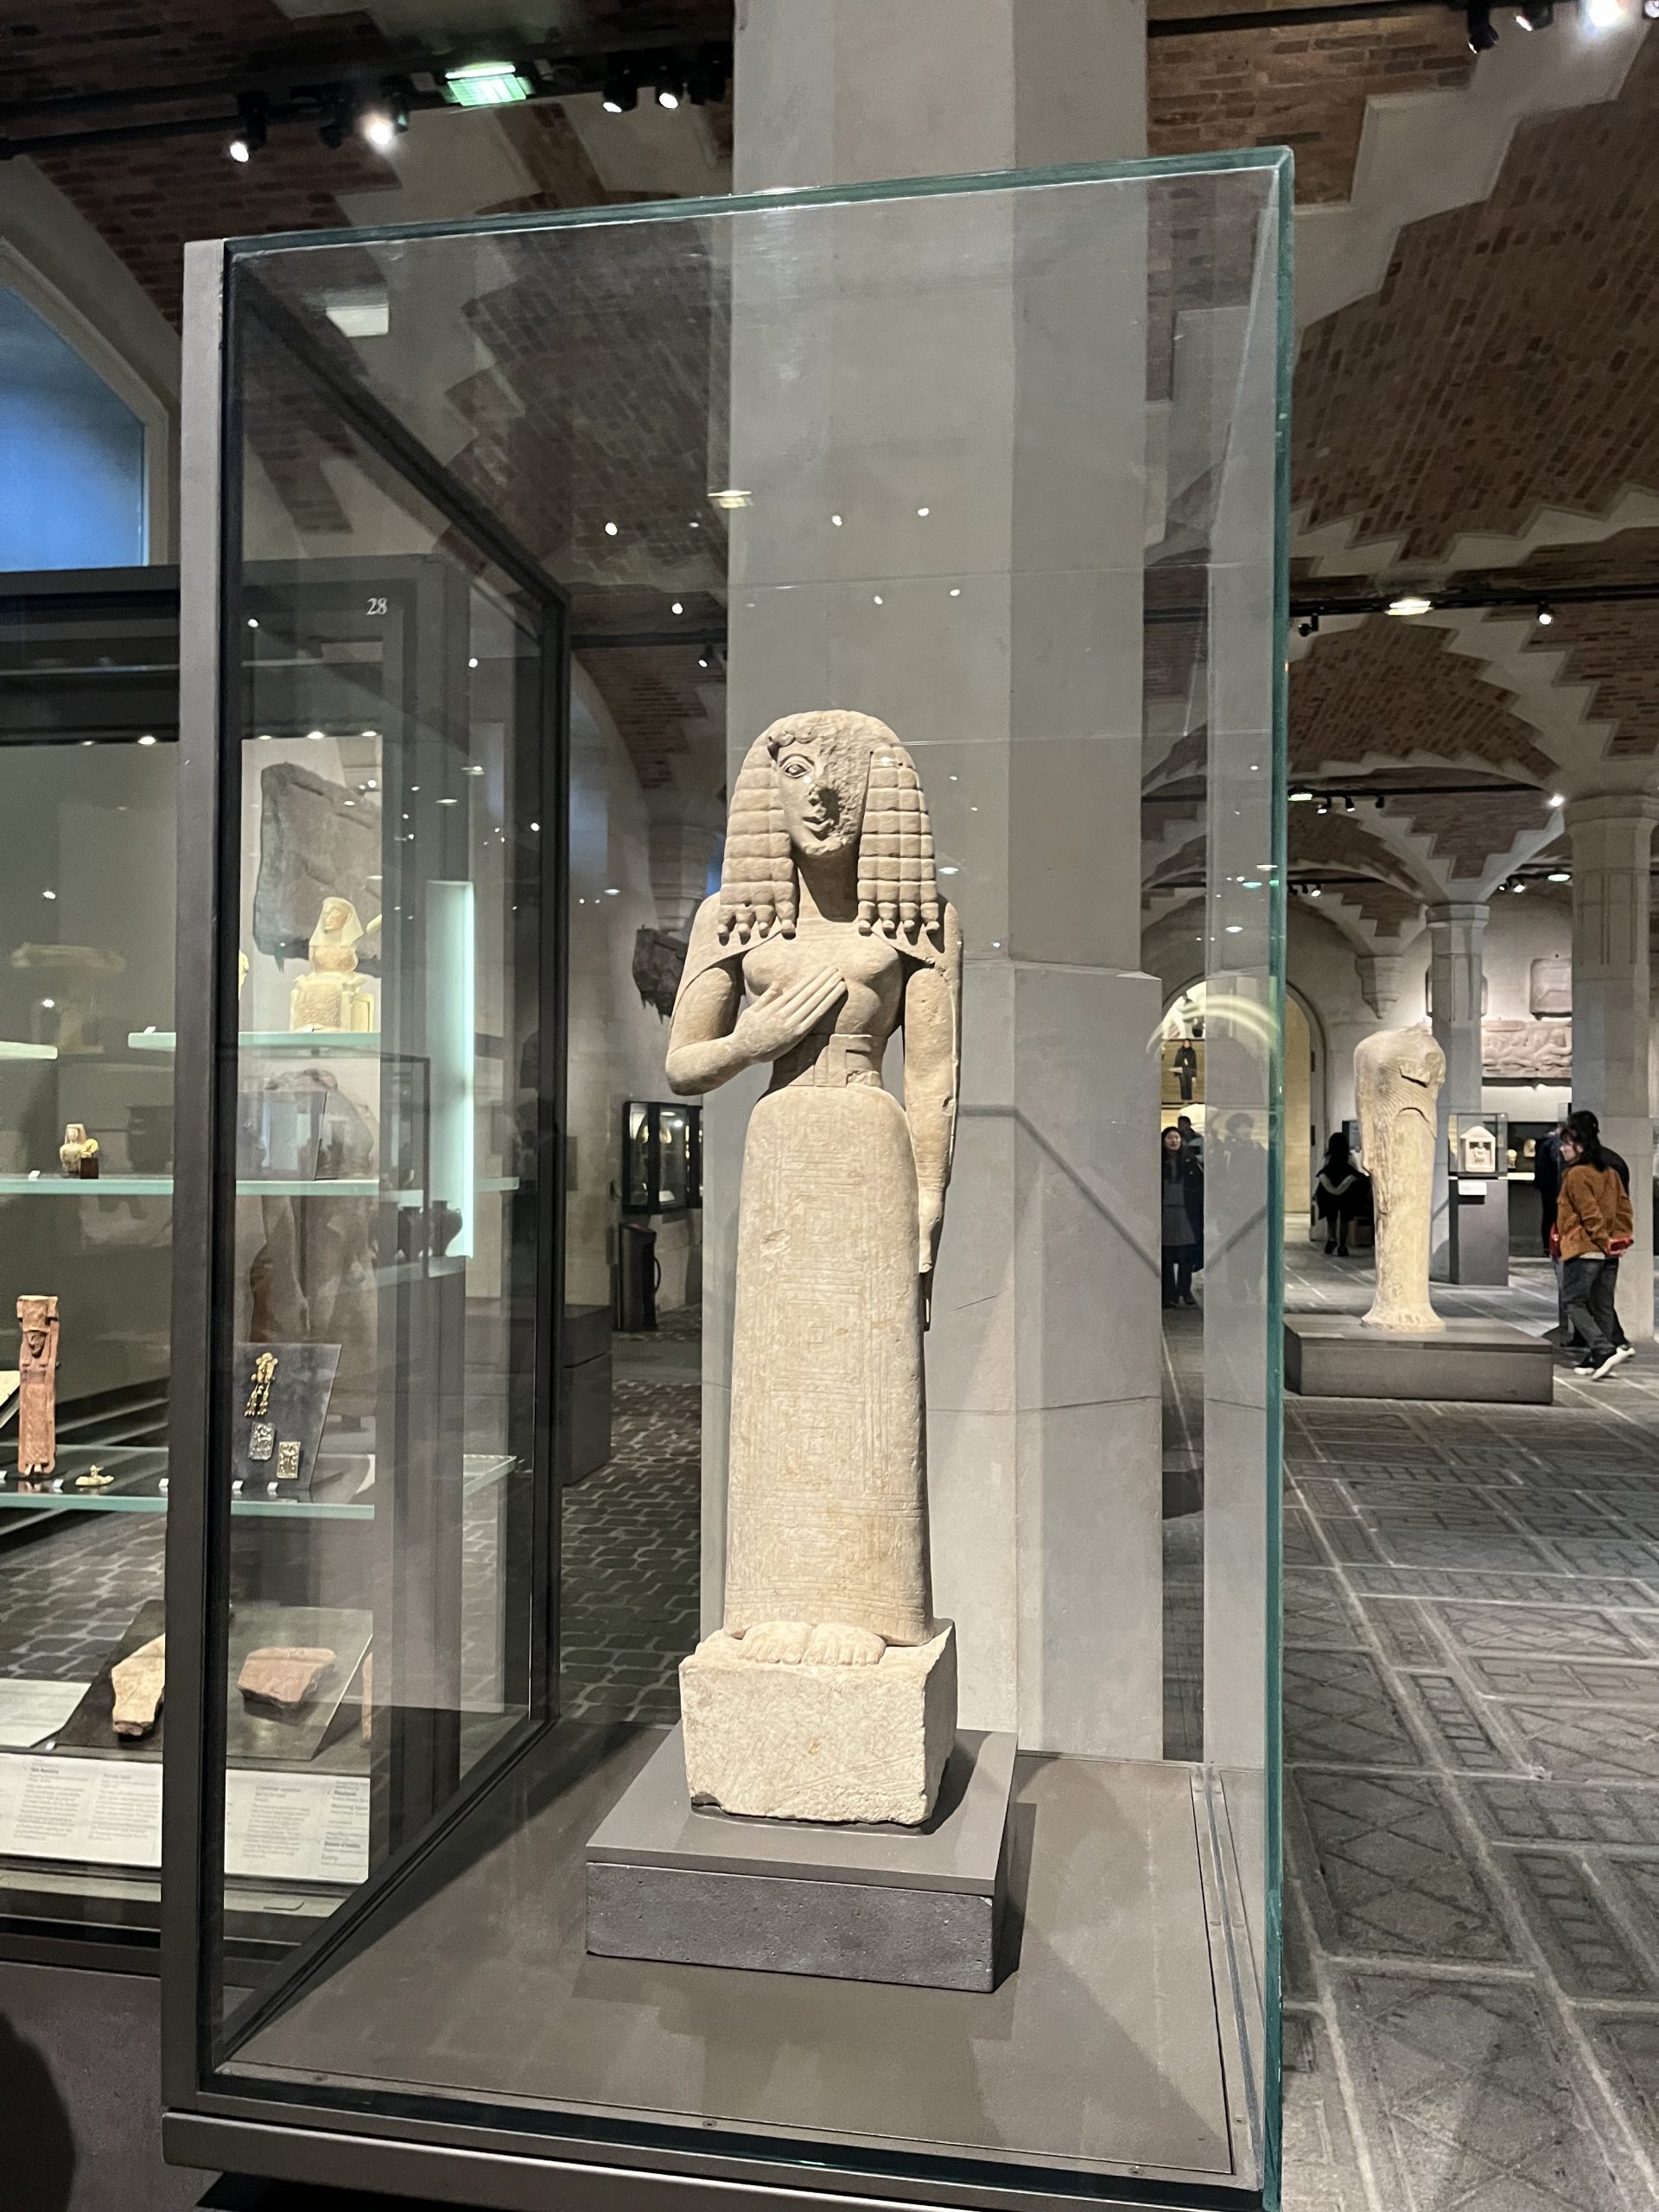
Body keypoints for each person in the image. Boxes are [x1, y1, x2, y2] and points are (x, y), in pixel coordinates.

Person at [1555, 1114, 1633, 1378]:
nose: (1562, 1149)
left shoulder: (1577, 1174)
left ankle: (1602, 1349)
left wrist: (1601, 1241)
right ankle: (1599, 1356)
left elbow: (1590, 1214)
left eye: (1566, 1144)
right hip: (1609, 1249)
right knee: (1602, 1304)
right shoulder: (1609, 1172)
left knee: (1573, 1301)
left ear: (1580, 1146)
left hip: (1586, 1248)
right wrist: (1618, 1240)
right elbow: (1624, 1208)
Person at [1160, 1124, 1204, 1308]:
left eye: (1177, 1138)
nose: (1174, 1141)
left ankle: (1185, 1290)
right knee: (1166, 1257)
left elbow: (1199, 1186)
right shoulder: (1158, 1162)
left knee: (1186, 1255)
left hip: (1186, 1213)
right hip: (1165, 1213)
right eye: (1170, 1138)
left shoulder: (1190, 1161)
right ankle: (1168, 1294)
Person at [1313, 1130, 1363, 1257]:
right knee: (1345, 1219)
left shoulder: (1327, 1158)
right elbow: (1356, 1172)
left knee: (1331, 1217)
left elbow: (1321, 1174)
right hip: (1347, 1192)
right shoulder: (1350, 1157)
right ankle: (1342, 1245)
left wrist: (1315, 1191)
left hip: (1328, 1191)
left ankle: (1331, 1238)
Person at [1173, 1037, 1198, 1103]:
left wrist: (1194, 1075)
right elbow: (1177, 1062)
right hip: (1182, 1071)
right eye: (1185, 1043)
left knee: (1189, 1085)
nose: (1186, 1044)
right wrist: (1176, 1073)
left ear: (1190, 1044)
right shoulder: (1180, 1051)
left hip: (1190, 1070)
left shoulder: (1192, 1052)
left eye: (1188, 1043)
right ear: (1183, 1043)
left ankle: (1189, 1100)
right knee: (1183, 1085)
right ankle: (1184, 1100)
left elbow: (1194, 1064)